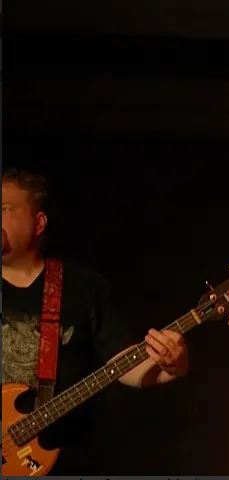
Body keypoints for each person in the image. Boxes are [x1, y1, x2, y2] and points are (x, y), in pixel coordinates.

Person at [2, 167, 190, 475]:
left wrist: (171, 366)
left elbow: (122, 364)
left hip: (67, 461)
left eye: (5, 209)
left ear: (38, 223)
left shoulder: (81, 286)